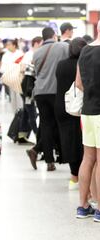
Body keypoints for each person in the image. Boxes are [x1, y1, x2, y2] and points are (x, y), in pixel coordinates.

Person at [27, 27, 68, 171]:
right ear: (55, 36)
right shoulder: (63, 46)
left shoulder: (36, 53)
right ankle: (39, 150)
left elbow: (36, 72)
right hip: (55, 91)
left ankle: (48, 160)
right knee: (57, 124)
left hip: (40, 92)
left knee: (46, 124)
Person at [75, 21, 100, 221]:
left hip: (87, 111)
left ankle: (82, 206)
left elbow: (78, 83)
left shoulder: (84, 52)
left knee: (88, 158)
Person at [55, 38, 87, 190]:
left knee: (68, 141)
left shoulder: (61, 65)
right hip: (80, 108)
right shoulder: (84, 64)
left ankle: (74, 176)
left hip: (62, 106)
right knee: (83, 143)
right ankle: (83, 177)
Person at [17, 36, 42, 143]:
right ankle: (38, 136)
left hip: (28, 89)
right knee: (31, 112)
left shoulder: (32, 53)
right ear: (36, 43)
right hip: (27, 90)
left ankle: (22, 135)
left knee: (27, 112)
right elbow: (23, 68)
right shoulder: (30, 54)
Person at [0, 39, 24, 111]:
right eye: (7, 45)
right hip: (10, 78)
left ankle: (21, 112)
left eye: (9, 45)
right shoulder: (5, 55)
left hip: (19, 79)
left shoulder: (20, 53)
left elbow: (22, 65)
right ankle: (15, 113)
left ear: (14, 45)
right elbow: (3, 67)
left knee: (19, 96)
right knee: (12, 97)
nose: (7, 46)